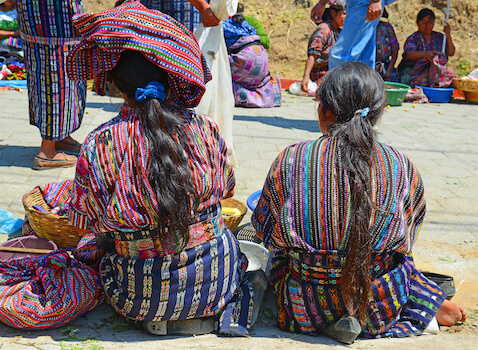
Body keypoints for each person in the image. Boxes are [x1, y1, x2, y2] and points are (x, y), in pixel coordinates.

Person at [66, 2, 253, 336]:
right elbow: (227, 188)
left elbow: (85, 223)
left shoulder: (101, 142)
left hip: (137, 298)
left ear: (114, 84)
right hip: (218, 282)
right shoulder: (205, 128)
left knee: (89, 250)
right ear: (170, 76)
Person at [251, 62, 466, 344]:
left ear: (323, 110)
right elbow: (407, 238)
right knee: (402, 259)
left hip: (303, 307)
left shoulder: (292, 159)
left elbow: (267, 233)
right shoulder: (400, 165)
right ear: (378, 114)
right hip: (378, 307)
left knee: (278, 257)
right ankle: (426, 303)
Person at [16, 0, 86, 170]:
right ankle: (47, 152)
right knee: (56, 81)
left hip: (37, 16)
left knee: (50, 75)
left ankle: (59, 137)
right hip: (55, 20)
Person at [310, 0, 398, 70]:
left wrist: (375, 0)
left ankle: (341, 91)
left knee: (340, 58)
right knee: (364, 58)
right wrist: (322, 2)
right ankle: (365, 91)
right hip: (357, 4)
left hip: (364, 3)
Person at [223, 11, 281, 107]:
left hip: (244, 59)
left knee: (221, 72)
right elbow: (265, 43)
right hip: (262, 57)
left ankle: (242, 96)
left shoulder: (224, 24)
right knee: (254, 81)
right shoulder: (248, 23)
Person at [398, 8, 456, 87]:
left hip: (435, 73)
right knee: (425, 82)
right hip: (415, 72)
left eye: (431, 23)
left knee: (451, 80)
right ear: (417, 23)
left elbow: (451, 53)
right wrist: (424, 54)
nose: (427, 26)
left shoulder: (439, 37)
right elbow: (408, 54)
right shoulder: (413, 38)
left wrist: (448, 35)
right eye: (424, 23)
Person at [301, 0, 345, 93]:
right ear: (333, 13)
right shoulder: (324, 30)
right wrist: (305, 78)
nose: (346, 17)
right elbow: (313, 55)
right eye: (343, 14)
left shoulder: (338, 31)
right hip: (322, 76)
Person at [375, 8, 398, 81]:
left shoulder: (387, 27)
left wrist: (389, 69)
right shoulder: (363, 28)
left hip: (386, 66)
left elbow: (395, 49)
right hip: (368, 67)